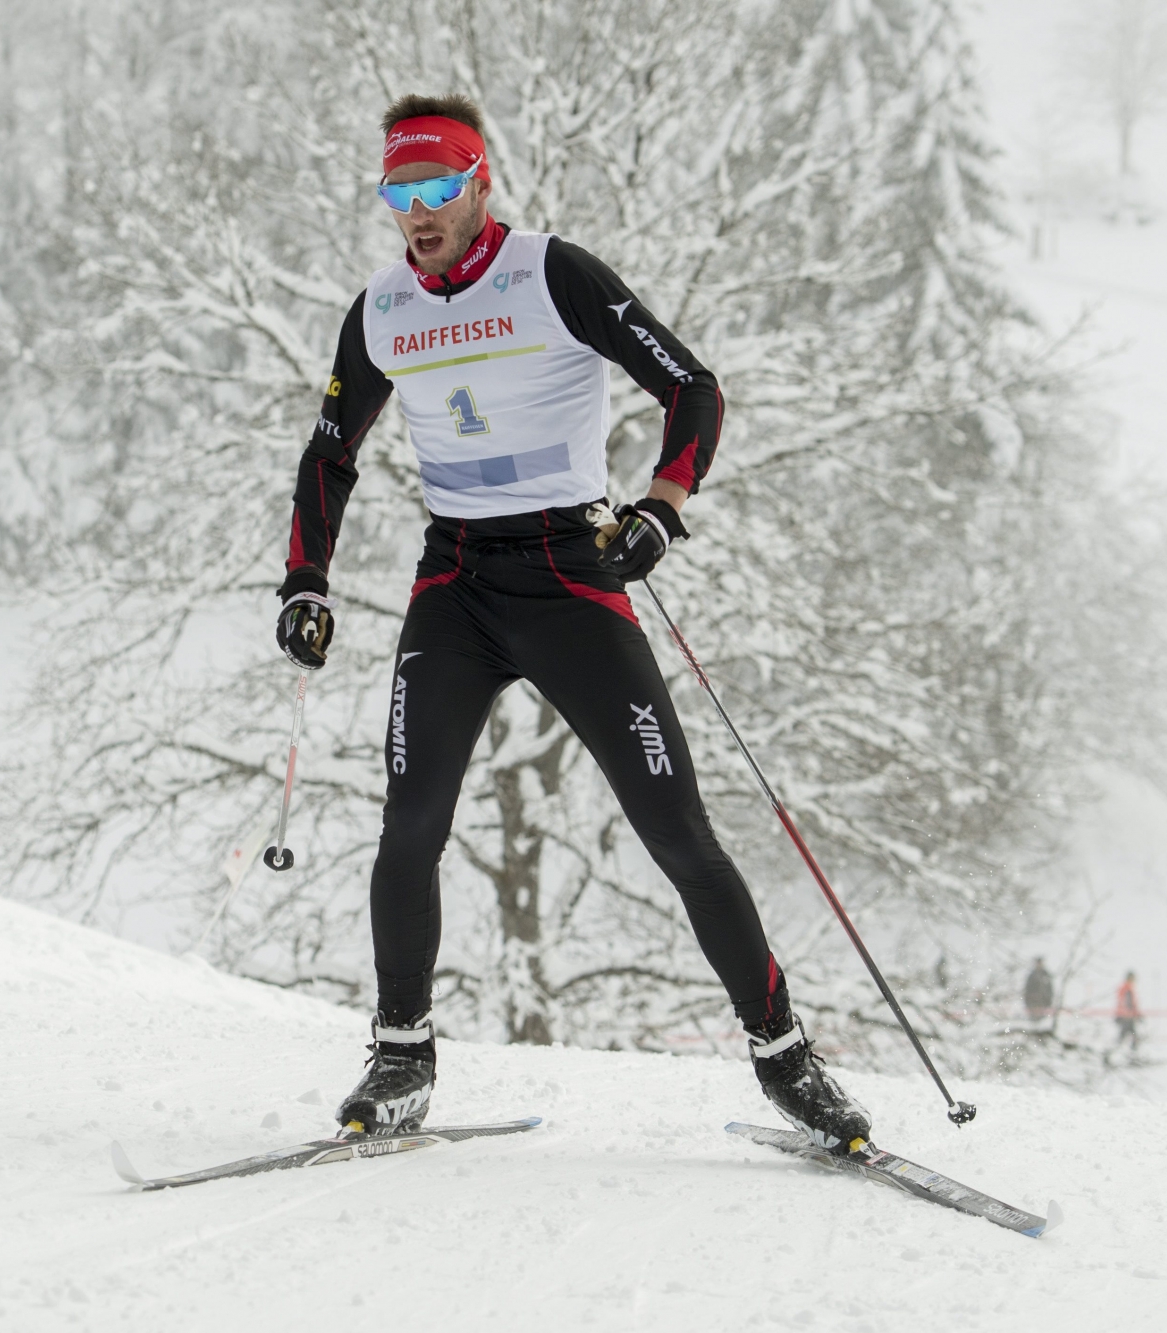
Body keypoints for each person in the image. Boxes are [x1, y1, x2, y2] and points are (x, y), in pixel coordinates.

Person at [272, 93, 871, 1152]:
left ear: (478, 181)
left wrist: (660, 511)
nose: (415, 212)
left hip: (570, 575)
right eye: (394, 192)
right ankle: (400, 1055)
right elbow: (330, 453)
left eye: (435, 188)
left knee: (675, 830)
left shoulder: (552, 273)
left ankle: (785, 1060)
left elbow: (692, 388)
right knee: (408, 823)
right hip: (452, 581)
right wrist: (304, 582)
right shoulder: (379, 310)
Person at [1023, 957, 1055, 1023]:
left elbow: (1050, 989)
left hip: (1044, 1003)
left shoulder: (1045, 975)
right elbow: (1027, 989)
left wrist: (1048, 1001)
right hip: (1033, 1003)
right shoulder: (1032, 976)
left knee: (1044, 1022)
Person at [1114, 971, 1141, 1050]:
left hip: (1124, 1015)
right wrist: (1135, 1014)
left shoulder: (1124, 987)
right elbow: (1129, 1004)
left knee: (1125, 1035)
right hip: (1127, 1017)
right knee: (1132, 1036)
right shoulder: (1127, 988)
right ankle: (1132, 1054)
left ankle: (1115, 1050)